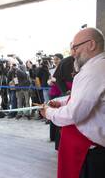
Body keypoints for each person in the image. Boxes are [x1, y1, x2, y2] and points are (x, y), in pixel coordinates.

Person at [40, 27, 105, 178]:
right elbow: (92, 102)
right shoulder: (97, 67)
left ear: (91, 44)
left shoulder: (93, 70)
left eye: (75, 47)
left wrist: (48, 112)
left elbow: (75, 114)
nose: (72, 53)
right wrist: (62, 104)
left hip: (92, 152)